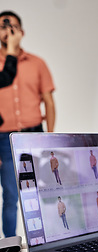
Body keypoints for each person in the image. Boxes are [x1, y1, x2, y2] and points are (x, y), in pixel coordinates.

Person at [0, 11, 56, 238]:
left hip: (35, 135)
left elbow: (49, 103)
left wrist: (51, 137)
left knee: (41, 191)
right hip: (4, 138)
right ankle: (10, 244)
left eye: (11, 26)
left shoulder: (37, 63)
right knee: (11, 194)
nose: (7, 31)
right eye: (2, 26)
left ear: (21, 31)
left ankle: (46, 239)